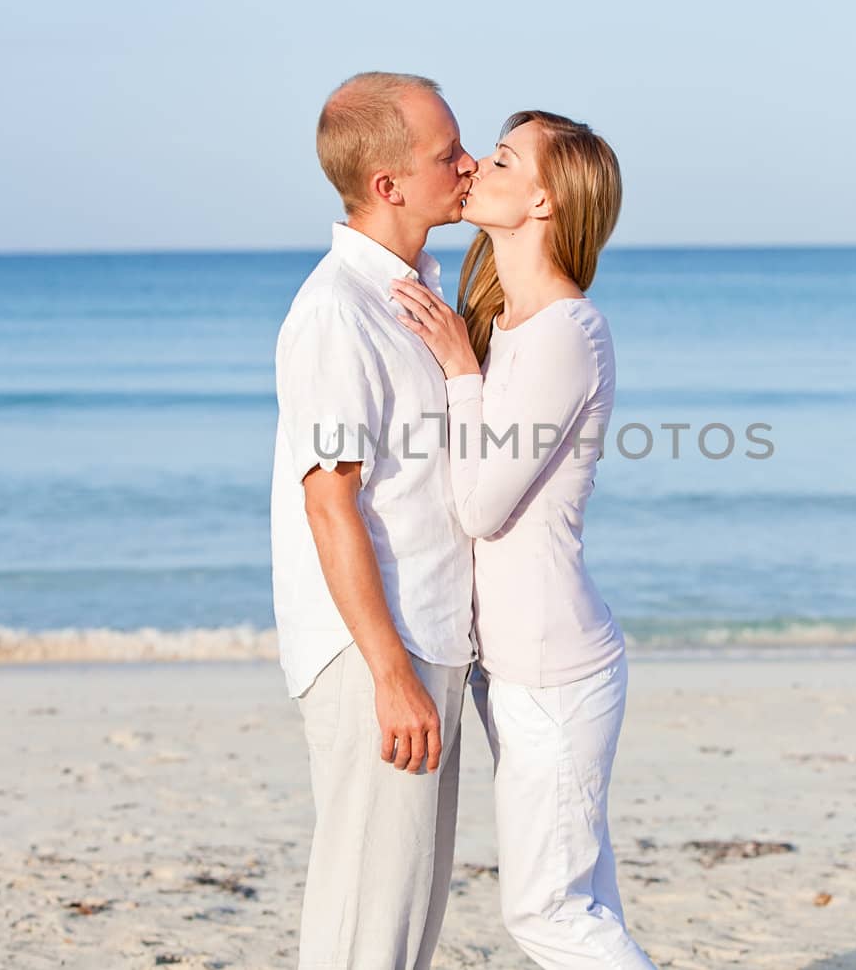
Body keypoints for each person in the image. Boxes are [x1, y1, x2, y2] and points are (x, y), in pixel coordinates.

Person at [390, 111, 657, 969]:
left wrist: (460, 374)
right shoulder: (504, 320)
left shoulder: (567, 334)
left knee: (548, 913)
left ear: (544, 199)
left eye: (502, 159)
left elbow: (479, 505)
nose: (477, 168)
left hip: (553, 670)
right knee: (583, 901)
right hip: (514, 666)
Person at [270, 71, 477, 969]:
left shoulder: (417, 290)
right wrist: (391, 673)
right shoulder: (335, 311)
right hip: (376, 653)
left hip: (429, 636)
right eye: (447, 155)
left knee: (406, 915)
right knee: (367, 916)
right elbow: (330, 501)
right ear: (388, 185)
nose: (468, 165)